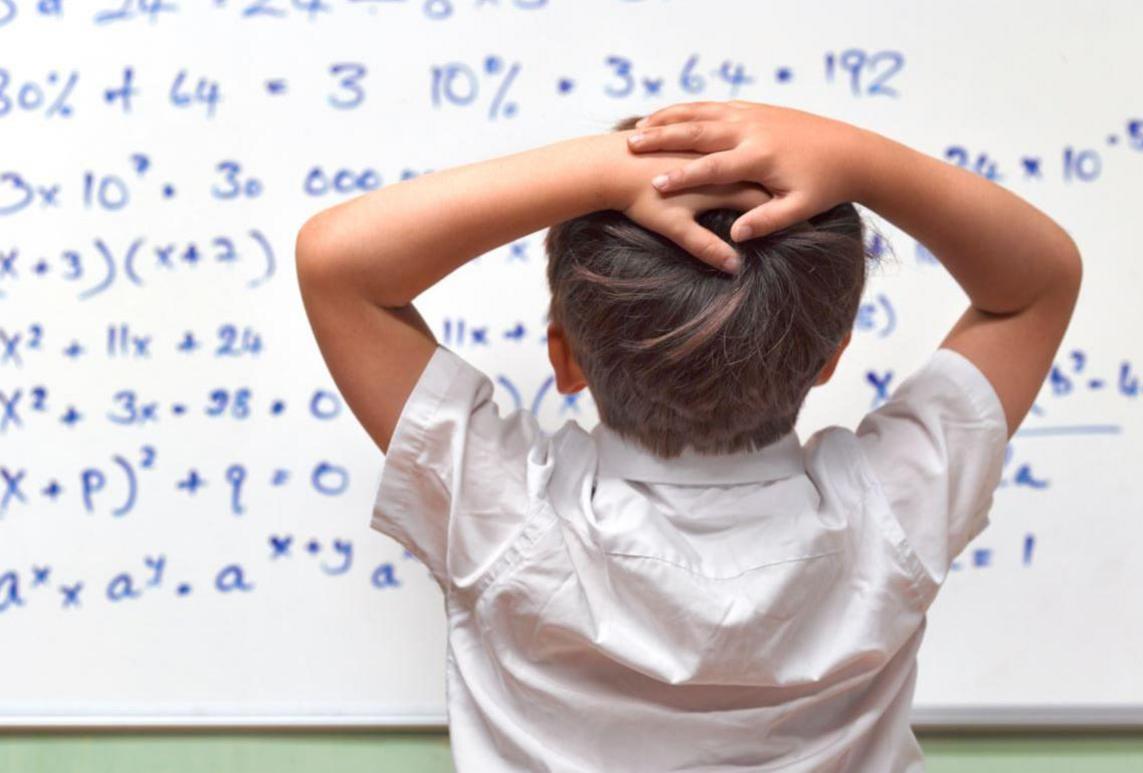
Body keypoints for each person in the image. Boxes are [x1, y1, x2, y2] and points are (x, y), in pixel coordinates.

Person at [295, 100, 1081, 771]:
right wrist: (860, 160)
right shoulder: (888, 513)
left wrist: (606, 169)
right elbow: (1035, 285)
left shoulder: (505, 518)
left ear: (562, 355)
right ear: (831, 359)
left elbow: (336, 262)